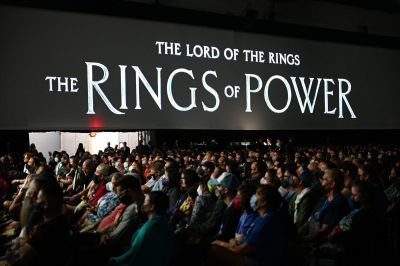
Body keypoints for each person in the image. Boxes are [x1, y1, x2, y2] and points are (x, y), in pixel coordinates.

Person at [208, 185, 288, 266]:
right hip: (253, 257)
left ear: (264, 202)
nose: (253, 196)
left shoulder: (266, 221)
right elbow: (240, 242)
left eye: (257, 194)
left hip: (261, 262)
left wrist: (220, 243)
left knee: (215, 250)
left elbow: (240, 250)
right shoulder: (262, 218)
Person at [110, 191, 175, 266]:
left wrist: (115, 260)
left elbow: (133, 254)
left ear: (151, 207)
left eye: (145, 202)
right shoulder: (165, 224)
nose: (143, 205)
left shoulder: (148, 229)